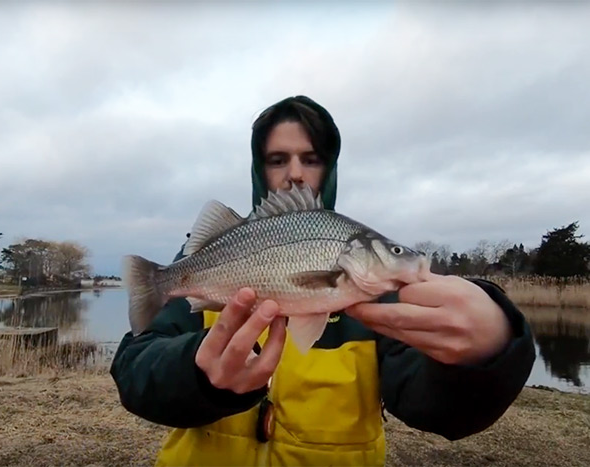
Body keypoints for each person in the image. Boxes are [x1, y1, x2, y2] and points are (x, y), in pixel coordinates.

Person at [110, 95, 536, 466]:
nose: (295, 173)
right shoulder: (207, 257)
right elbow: (134, 370)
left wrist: (490, 353)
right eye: (277, 160)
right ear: (259, 170)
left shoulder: (381, 296)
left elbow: (438, 410)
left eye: (311, 159)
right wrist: (199, 374)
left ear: (330, 169)